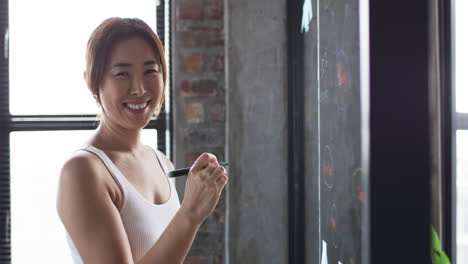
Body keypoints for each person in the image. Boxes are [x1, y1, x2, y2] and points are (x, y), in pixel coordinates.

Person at [56, 17, 228, 264]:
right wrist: (190, 213)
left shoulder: (162, 162)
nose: (139, 88)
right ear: (92, 82)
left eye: (150, 71)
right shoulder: (82, 171)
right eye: (122, 74)